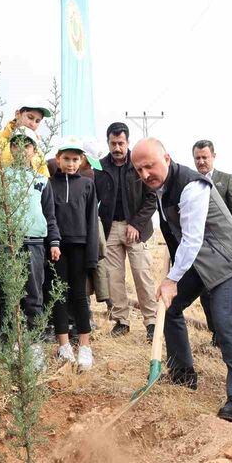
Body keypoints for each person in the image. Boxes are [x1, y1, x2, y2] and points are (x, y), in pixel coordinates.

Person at [133, 137, 232, 422]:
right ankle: (183, 375)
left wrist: (173, 278)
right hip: (197, 259)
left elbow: (193, 237)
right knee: (171, 308)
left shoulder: (192, 185)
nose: (145, 174)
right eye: (138, 170)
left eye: (149, 166)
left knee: (224, 321)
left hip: (222, 257)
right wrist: (173, 276)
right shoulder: (159, 189)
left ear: (167, 159)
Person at [0, 127, 60, 338]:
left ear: (34, 151)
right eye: (16, 145)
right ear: (11, 148)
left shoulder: (42, 181)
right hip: (7, 243)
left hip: (34, 244)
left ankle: (33, 343)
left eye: (27, 145)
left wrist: (54, 242)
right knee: (7, 295)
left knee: (33, 294)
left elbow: (49, 215)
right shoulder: (0, 177)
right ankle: (9, 344)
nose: (22, 149)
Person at [94, 122, 157, 340]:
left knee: (142, 274)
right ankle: (121, 320)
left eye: (121, 143)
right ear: (108, 143)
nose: (117, 147)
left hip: (136, 229)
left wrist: (136, 224)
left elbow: (151, 199)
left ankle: (151, 322)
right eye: (113, 143)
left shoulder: (139, 165)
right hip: (110, 228)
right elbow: (94, 199)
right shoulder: (100, 167)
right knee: (114, 277)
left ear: (128, 142)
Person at [50, 138, 99, 369]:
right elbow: (48, 217)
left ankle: (85, 346)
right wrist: (51, 242)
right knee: (58, 295)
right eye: (66, 159)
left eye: (75, 159)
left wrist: (91, 255)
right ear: (58, 159)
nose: (70, 164)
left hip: (80, 245)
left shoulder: (87, 185)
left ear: (81, 161)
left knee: (79, 295)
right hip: (57, 247)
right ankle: (64, 346)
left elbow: (92, 221)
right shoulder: (49, 184)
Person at [191, 140, 232, 342]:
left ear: (213, 156)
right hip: (204, 250)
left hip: (227, 250)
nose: (202, 161)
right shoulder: (192, 181)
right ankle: (216, 332)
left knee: (231, 293)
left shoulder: (226, 179)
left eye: (205, 157)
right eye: (198, 158)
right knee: (206, 293)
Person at [0, 97, 52, 181]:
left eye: (37, 121)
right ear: (18, 114)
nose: (33, 124)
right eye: (30, 117)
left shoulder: (37, 151)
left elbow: (45, 182)